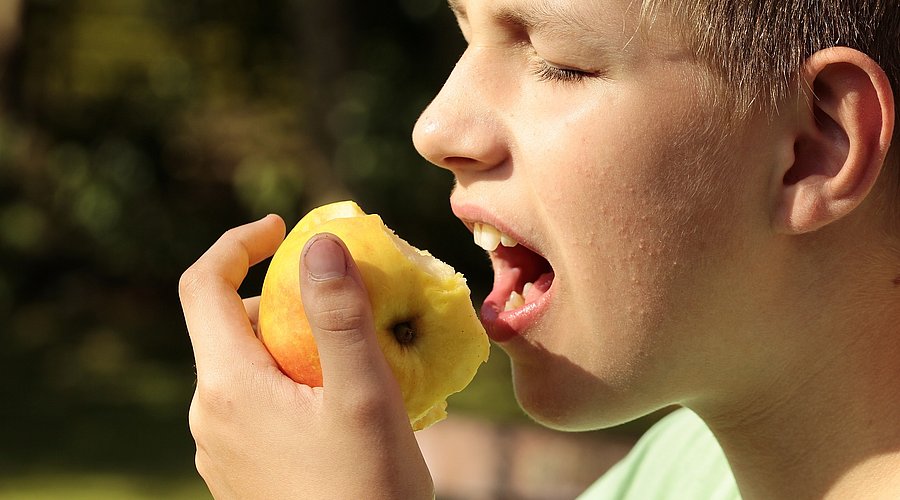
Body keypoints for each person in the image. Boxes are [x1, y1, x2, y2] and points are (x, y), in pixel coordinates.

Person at [179, 0, 900, 498]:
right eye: (466, 33)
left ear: (812, 148)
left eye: (559, 62)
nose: (435, 128)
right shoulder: (674, 476)